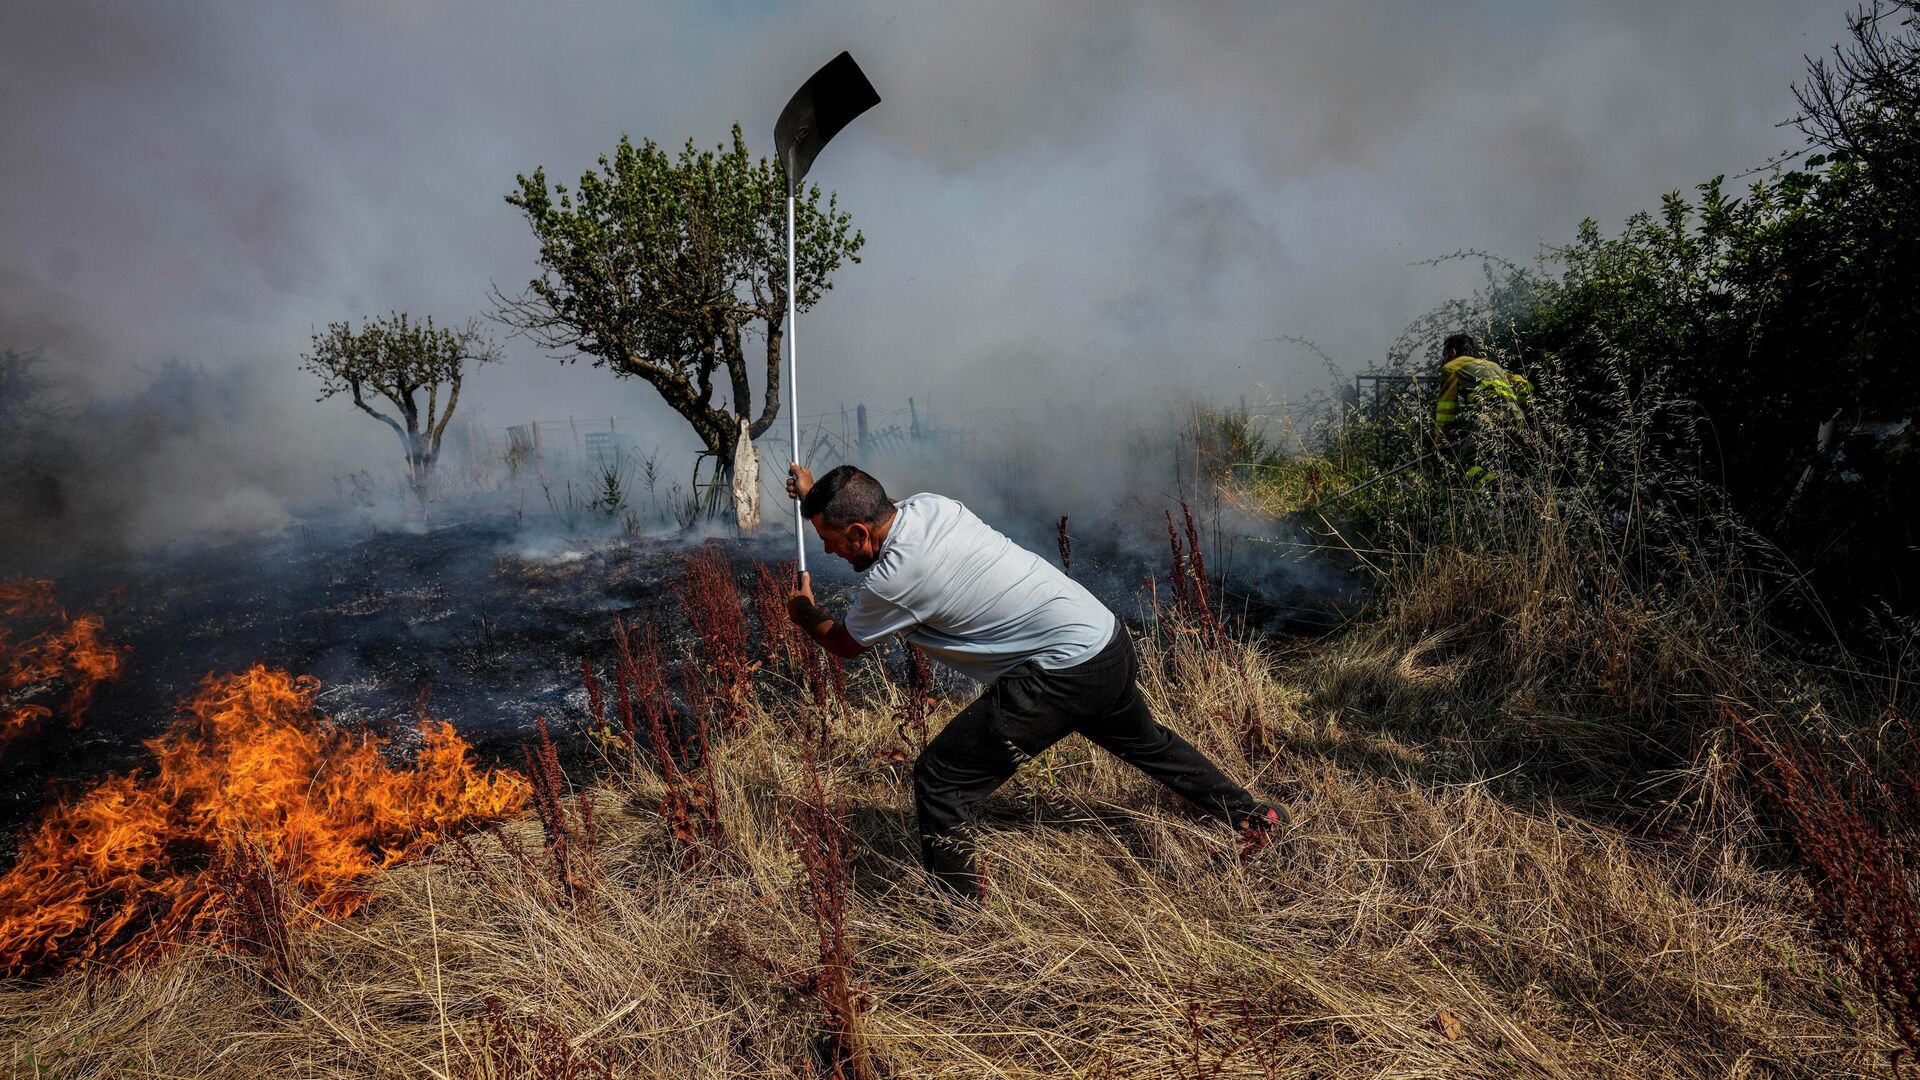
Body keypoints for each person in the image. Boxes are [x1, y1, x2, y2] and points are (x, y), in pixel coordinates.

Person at [784, 463, 1288, 899]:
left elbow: (846, 644)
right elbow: (858, 505)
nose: (830, 555)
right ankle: (1251, 814)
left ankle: (957, 923)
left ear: (859, 533)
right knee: (1147, 742)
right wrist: (812, 498)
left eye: (831, 543)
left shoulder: (893, 578)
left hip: (1061, 671)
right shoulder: (930, 507)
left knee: (942, 779)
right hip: (1103, 638)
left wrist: (804, 612)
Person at [1433, 332, 1532, 485]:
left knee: (1465, 465)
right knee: (1504, 464)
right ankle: (1517, 494)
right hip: (1519, 420)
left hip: (1493, 420)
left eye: (1444, 355)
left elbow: (1446, 410)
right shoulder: (1492, 365)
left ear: (1452, 352)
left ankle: (1497, 493)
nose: (1444, 360)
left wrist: (1439, 442)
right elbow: (1523, 385)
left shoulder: (1451, 367)